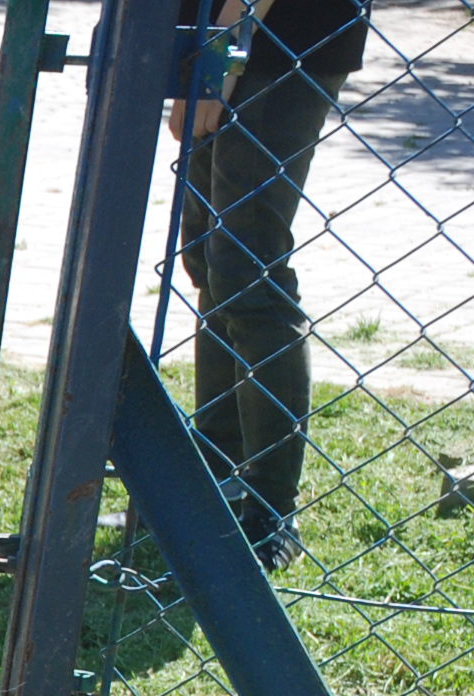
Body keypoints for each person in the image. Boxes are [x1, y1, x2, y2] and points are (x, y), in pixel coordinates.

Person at [174, 0, 368, 571]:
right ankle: (216, 483)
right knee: (211, 261)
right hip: (225, 37)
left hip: (276, 41)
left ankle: (270, 510)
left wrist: (220, 55)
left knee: (248, 271)